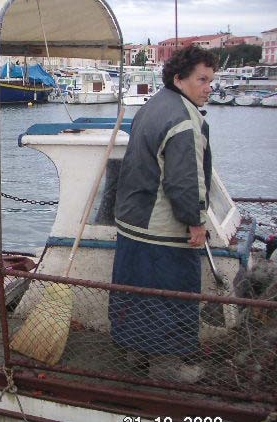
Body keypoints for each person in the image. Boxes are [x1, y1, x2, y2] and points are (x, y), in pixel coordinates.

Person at [108, 45, 218, 383]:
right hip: (161, 231)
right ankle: (167, 370)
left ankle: (135, 355)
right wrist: (197, 222)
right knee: (171, 297)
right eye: (202, 80)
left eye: (211, 80)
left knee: (136, 296)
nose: (208, 87)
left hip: (132, 224)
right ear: (179, 79)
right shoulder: (184, 121)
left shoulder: (152, 107)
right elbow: (186, 182)